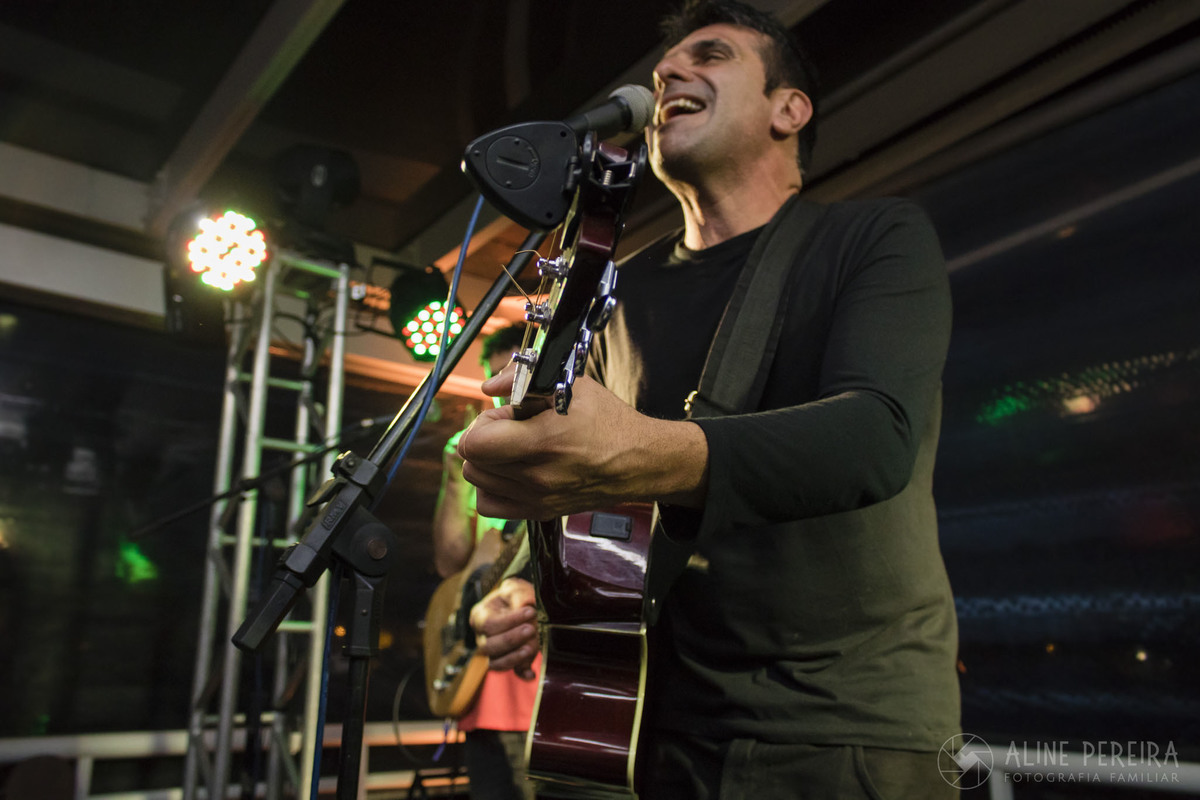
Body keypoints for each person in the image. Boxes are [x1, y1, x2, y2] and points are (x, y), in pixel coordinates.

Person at [457, 1, 961, 796]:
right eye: (665, 70)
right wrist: (521, 582)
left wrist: (633, 452)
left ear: (788, 110)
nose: (668, 76)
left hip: (834, 731)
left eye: (713, 55)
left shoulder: (874, 239)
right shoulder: (615, 291)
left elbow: (876, 437)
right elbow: (589, 491)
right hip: (644, 728)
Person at [431, 324, 538, 800]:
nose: (502, 392)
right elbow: (451, 564)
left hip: (542, 697)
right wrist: (456, 476)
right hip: (479, 690)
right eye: (495, 379)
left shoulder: (565, 462)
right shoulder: (488, 477)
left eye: (516, 377)